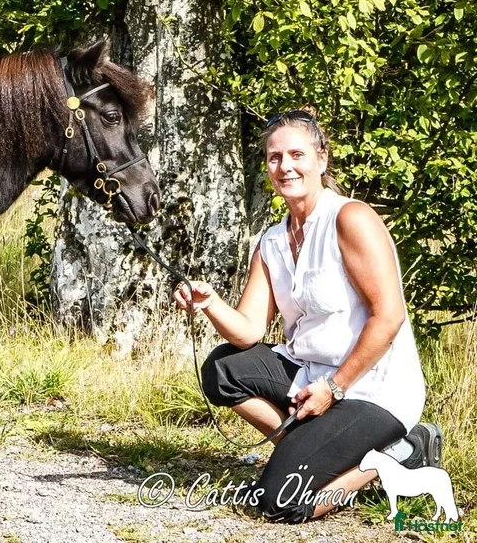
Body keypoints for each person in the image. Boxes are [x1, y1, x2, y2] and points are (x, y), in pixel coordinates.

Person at [172, 110, 442, 523]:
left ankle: (396, 458)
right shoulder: (273, 239)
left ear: (322, 159)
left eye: (297, 154)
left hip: (374, 389)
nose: (285, 167)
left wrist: (333, 388)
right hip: (309, 375)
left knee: (281, 501)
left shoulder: (350, 219)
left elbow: (389, 318)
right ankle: (312, 446)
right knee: (222, 369)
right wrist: (209, 303)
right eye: (274, 157)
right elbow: (247, 332)